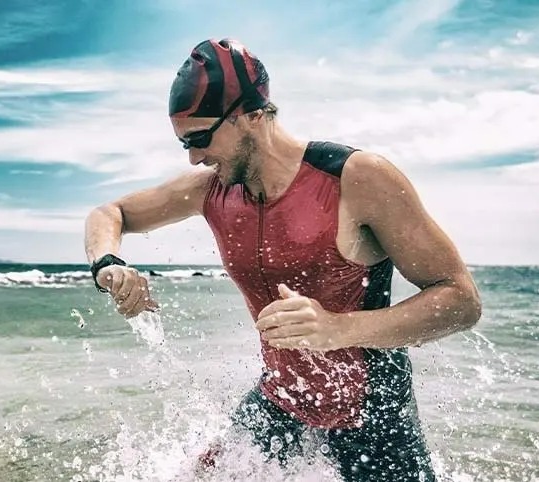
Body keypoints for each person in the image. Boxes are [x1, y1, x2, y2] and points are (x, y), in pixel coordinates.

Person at [83, 38, 482, 481]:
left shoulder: (357, 178)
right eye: (185, 146)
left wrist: (337, 328)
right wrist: (109, 265)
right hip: (282, 400)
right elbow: (110, 214)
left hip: (373, 420)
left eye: (200, 139)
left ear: (251, 115)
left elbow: (461, 300)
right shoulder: (211, 190)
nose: (196, 158)